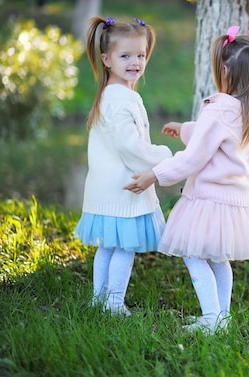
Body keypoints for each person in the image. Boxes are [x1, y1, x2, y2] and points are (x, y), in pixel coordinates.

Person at [125, 25, 249, 333]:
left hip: (208, 199)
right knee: (219, 260)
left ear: (224, 69)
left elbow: (195, 157)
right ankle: (221, 317)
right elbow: (217, 141)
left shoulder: (219, 109)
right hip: (232, 203)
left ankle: (211, 318)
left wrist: (155, 174)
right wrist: (186, 129)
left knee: (193, 256)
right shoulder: (248, 111)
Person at [74, 16, 173, 316]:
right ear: (106, 59)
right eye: (126, 55)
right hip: (124, 188)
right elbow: (130, 147)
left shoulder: (117, 94)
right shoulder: (119, 99)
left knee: (108, 247)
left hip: (108, 188)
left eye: (141, 55)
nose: (135, 62)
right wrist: (165, 156)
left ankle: (99, 299)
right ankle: (113, 303)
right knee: (123, 248)